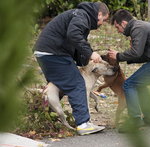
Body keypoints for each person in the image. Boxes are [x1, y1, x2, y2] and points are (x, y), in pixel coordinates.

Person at [33, 2, 109, 135]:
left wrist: (86, 58)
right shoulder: (82, 15)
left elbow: (75, 47)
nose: (103, 23)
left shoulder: (80, 16)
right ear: (99, 14)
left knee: (60, 87)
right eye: (104, 19)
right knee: (76, 83)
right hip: (53, 53)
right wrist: (91, 53)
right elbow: (74, 35)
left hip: (47, 52)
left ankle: (47, 119)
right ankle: (83, 124)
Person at [108, 9, 150, 132]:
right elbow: (143, 55)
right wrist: (121, 57)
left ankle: (135, 121)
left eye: (117, 27)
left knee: (129, 84)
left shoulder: (137, 28)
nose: (118, 31)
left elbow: (136, 52)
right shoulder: (140, 26)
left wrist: (118, 56)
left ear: (123, 23)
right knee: (139, 85)